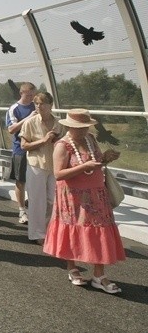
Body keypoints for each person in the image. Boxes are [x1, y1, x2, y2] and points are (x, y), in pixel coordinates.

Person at [43, 109, 124, 293]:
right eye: (79, 128)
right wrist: (84, 166)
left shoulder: (91, 139)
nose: (83, 131)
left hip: (96, 194)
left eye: (85, 127)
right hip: (72, 196)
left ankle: (99, 274)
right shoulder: (63, 145)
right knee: (73, 229)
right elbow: (58, 174)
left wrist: (105, 159)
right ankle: (72, 267)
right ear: (69, 127)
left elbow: (94, 164)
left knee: (101, 231)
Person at [19, 92, 61, 244]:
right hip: (36, 164)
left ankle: (50, 230)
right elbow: (24, 146)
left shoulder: (59, 123)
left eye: (43, 103)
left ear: (51, 105)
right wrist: (43, 141)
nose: (39, 106)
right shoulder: (30, 123)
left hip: (55, 166)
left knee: (53, 200)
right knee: (37, 201)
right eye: (36, 103)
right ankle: (37, 234)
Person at [6, 82, 37, 224]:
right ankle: (21, 210)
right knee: (20, 180)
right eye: (29, 95)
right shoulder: (14, 109)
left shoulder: (36, 106)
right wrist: (29, 117)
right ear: (21, 93)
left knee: (37, 178)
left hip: (36, 148)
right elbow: (11, 129)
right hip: (20, 148)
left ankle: (34, 206)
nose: (31, 98)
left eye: (33, 95)